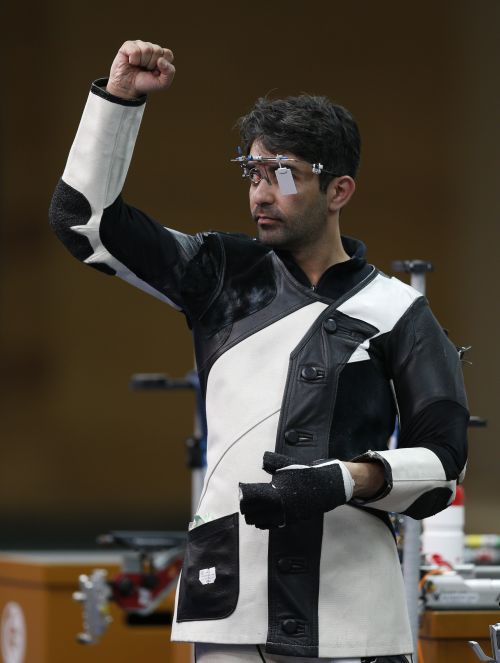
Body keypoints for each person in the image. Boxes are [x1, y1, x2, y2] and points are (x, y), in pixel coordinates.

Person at [49, 40, 468, 663]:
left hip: (353, 619)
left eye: (284, 174)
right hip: (230, 609)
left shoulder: (401, 312)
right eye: (252, 172)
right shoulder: (220, 272)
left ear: (339, 190)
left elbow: (444, 465)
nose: (261, 194)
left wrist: (344, 480)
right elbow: (83, 222)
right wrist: (119, 100)